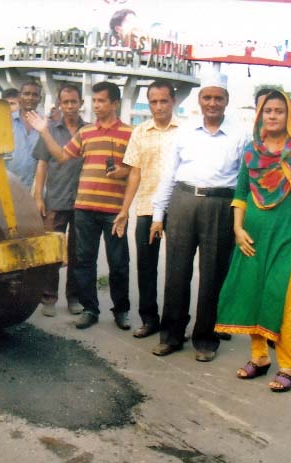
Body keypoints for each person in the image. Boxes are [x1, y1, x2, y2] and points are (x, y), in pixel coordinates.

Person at [215, 90, 291, 392]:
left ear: (290, 114)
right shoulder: (253, 151)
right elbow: (240, 194)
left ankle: (289, 365)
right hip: (251, 235)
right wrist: (238, 229)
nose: (273, 116)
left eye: (279, 110)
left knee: (280, 300)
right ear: (260, 115)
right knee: (253, 294)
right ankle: (259, 357)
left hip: (287, 237)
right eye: (268, 111)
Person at [149, 74, 249, 362]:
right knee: (177, 272)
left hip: (221, 205)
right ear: (200, 100)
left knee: (213, 275)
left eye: (218, 98)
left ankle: (206, 338)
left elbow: (244, 181)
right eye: (207, 97)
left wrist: (240, 220)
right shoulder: (185, 132)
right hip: (183, 202)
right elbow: (169, 174)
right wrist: (159, 214)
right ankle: (171, 336)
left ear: (227, 101)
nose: (213, 103)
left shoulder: (241, 135)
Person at [26, 81, 132, 330]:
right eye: (94, 101)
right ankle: (89, 309)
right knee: (84, 260)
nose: (97, 106)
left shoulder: (130, 133)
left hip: (114, 211)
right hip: (84, 207)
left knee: (118, 263)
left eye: (102, 101)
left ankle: (122, 311)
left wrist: (122, 173)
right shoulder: (85, 133)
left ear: (115, 103)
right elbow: (61, 157)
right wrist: (44, 131)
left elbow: (136, 170)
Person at [112, 80, 180, 338]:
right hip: (146, 208)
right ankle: (149, 319)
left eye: (164, 101)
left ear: (173, 101)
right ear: (148, 103)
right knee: (146, 267)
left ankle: (174, 324)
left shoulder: (185, 131)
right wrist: (124, 209)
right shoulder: (140, 132)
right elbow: (134, 173)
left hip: (178, 208)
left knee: (177, 269)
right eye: (154, 101)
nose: (159, 106)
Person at [32, 84, 87, 317]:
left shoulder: (89, 130)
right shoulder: (50, 130)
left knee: (77, 252)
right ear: (60, 104)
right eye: (66, 102)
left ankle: (74, 298)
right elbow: (42, 164)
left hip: (83, 201)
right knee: (52, 251)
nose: (70, 106)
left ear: (81, 103)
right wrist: (38, 196)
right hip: (55, 198)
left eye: (74, 101)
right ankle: (48, 297)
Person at [5, 81, 42, 189]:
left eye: (34, 95)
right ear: (19, 97)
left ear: (40, 99)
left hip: (34, 188)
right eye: (26, 94)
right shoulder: (6, 120)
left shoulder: (45, 125)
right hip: (8, 185)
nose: (30, 98)